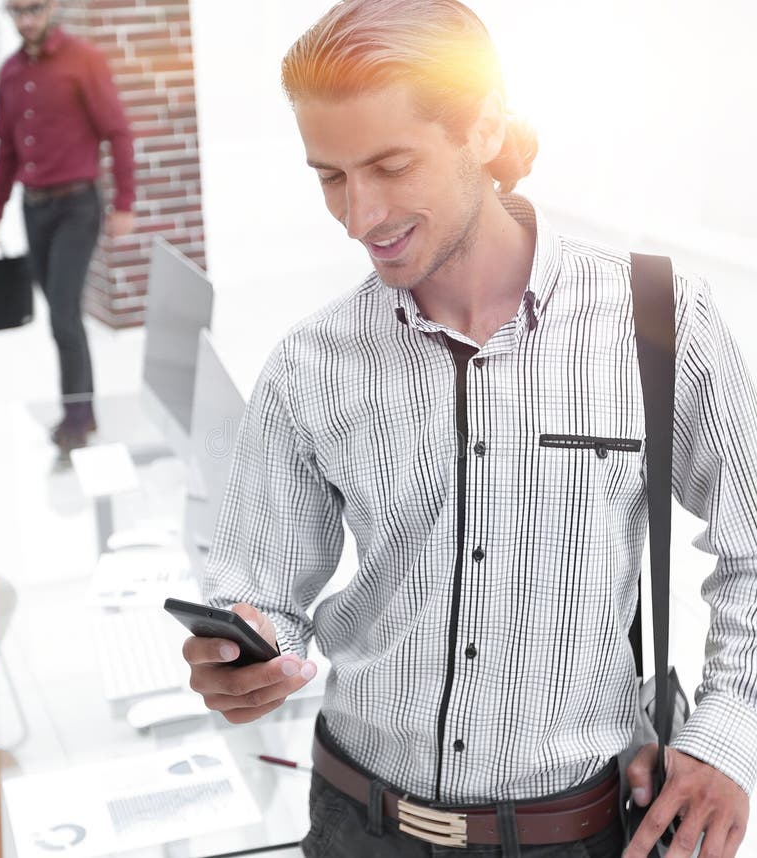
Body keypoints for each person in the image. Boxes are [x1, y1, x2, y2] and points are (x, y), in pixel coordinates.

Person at [183, 1, 757, 856]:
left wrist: (726, 736)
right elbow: (264, 593)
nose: (358, 215)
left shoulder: (658, 320)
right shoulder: (310, 363)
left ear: (483, 127)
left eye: (390, 164)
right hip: (355, 823)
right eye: (331, 176)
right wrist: (249, 655)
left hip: (577, 832)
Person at [0, 0, 135, 454]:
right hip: (34, 209)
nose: (25, 19)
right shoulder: (9, 73)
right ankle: (80, 407)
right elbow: (7, 149)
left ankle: (77, 416)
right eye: (15, 11)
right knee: (60, 312)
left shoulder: (83, 60)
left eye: (32, 8)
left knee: (64, 314)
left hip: (77, 206)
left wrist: (124, 203)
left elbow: (118, 132)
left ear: (51, 7)